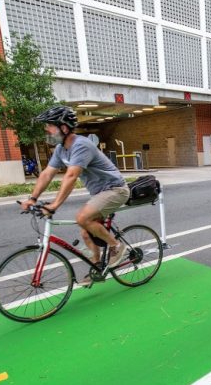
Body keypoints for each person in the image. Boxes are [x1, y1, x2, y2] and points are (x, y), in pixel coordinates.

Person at [21, 105, 131, 284]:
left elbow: (71, 175)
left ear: (64, 127)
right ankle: (97, 269)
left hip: (115, 189)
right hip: (99, 193)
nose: (46, 130)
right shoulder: (61, 149)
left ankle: (116, 246)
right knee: (87, 234)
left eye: (49, 126)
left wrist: (55, 205)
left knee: (82, 218)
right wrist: (32, 198)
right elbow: (47, 173)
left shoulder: (81, 145)